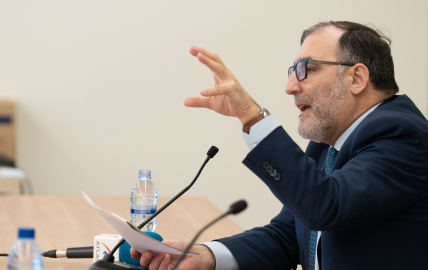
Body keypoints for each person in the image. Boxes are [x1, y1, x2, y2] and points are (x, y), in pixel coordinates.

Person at [131, 21, 428, 270]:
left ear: (357, 77)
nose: (290, 86)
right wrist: (203, 256)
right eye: (292, 70)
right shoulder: (327, 145)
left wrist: (252, 117)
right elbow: (287, 235)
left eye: (307, 69)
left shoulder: (401, 134)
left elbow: (327, 206)